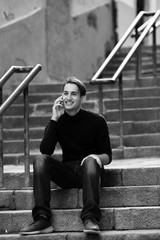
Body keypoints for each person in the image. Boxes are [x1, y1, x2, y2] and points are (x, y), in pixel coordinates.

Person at [20, 76, 112, 235]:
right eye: (65, 93)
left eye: (74, 94)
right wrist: (54, 118)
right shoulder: (58, 122)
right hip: (69, 172)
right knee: (40, 159)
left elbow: (107, 156)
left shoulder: (97, 121)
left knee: (90, 160)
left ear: (82, 97)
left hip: (92, 172)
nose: (68, 98)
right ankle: (42, 219)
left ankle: (90, 218)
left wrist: (95, 158)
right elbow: (46, 151)